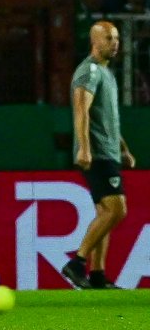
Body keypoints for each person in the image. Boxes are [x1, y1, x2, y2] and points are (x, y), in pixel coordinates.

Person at [63, 21, 134, 289]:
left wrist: (123, 148)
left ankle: (98, 275)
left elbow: (106, 120)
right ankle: (77, 263)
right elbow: (82, 109)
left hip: (108, 151)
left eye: (116, 37)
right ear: (95, 41)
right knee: (117, 209)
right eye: (108, 37)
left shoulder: (106, 73)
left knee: (104, 212)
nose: (115, 42)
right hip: (97, 154)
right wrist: (84, 147)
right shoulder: (90, 71)